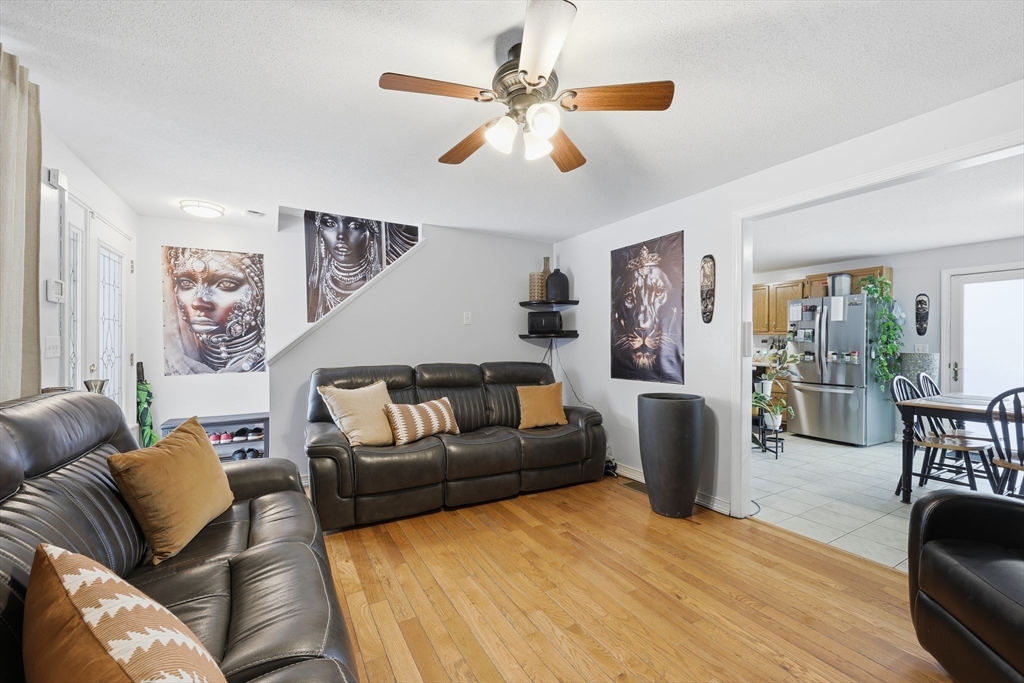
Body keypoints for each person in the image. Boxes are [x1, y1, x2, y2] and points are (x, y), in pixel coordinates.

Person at [163, 247, 266, 374]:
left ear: (259, 292)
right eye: (186, 284)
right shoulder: (171, 364)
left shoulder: (273, 362)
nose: (198, 302)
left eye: (226, 284)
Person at [306, 212, 383, 321]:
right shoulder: (316, 286)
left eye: (355, 226)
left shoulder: (381, 281)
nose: (341, 236)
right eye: (330, 223)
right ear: (321, 234)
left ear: (370, 236)